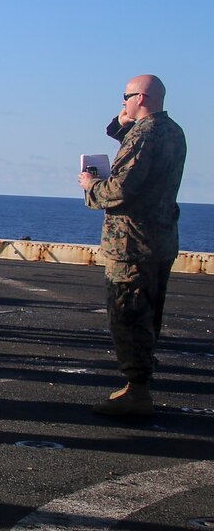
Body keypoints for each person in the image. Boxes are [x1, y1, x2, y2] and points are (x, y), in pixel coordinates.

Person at [79, 74, 186, 416]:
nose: (122, 102)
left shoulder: (144, 134)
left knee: (127, 314)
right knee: (149, 314)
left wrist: (91, 185)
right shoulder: (173, 131)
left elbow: (120, 190)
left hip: (131, 243)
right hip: (160, 239)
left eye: (126, 96)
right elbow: (133, 145)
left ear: (141, 97)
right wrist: (122, 122)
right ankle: (140, 382)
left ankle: (137, 392)